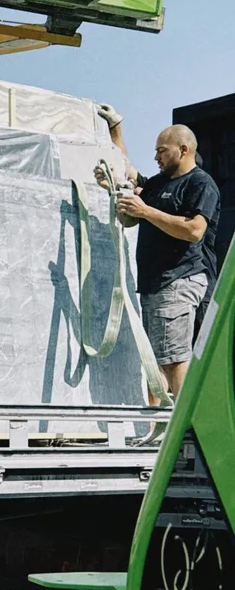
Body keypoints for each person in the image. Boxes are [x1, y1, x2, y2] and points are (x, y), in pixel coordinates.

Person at [96, 106, 220, 402]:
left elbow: (194, 231)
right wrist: (116, 130)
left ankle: (183, 432)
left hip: (179, 280)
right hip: (155, 284)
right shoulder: (158, 184)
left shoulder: (200, 184)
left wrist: (145, 210)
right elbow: (125, 168)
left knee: (173, 358)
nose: (156, 158)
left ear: (184, 149)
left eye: (162, 151)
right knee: (155, 362)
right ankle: (156, 431)